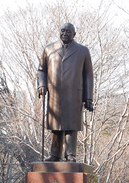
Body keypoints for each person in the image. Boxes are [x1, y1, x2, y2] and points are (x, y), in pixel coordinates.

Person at [37, 22, 94, 162]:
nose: (65, 33)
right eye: (63, 31)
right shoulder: (49, 49)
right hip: (55, 93)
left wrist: (89, 98)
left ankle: (70, 154)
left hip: (74, 93)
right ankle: (55, 154)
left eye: (69, 31)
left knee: (71, 125)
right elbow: (41, 70)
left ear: (74, 34)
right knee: (56, 125)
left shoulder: (83, 51)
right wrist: (42, 85)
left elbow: (88, 74)